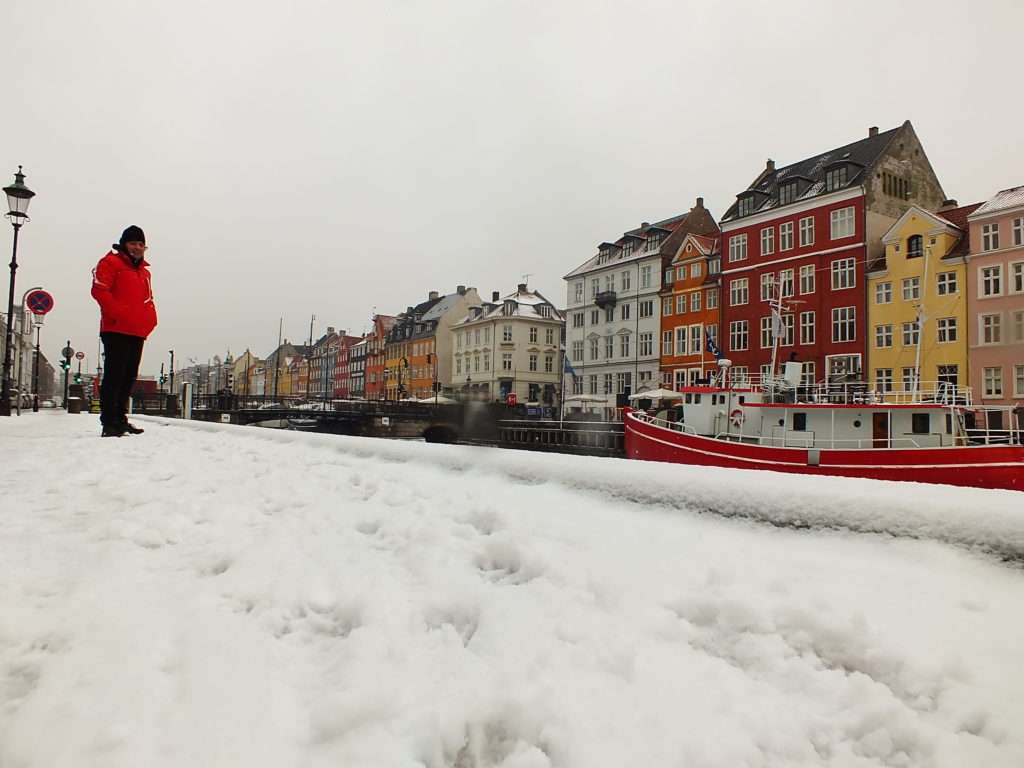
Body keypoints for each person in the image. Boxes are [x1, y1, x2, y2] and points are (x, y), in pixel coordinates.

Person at [91, 225, 157, 437]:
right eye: (133, 243)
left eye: (141, 244)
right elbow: (100, 291)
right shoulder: (110, 263)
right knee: (114, 376)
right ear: (124, 244)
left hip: (137, 330)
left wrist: (150, 320)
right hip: (116, 328)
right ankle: (109, 422)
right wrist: (119, 314)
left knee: (129, 376)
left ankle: (120, 418)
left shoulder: (144, 272)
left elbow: (148, 299)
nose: (137, 248)